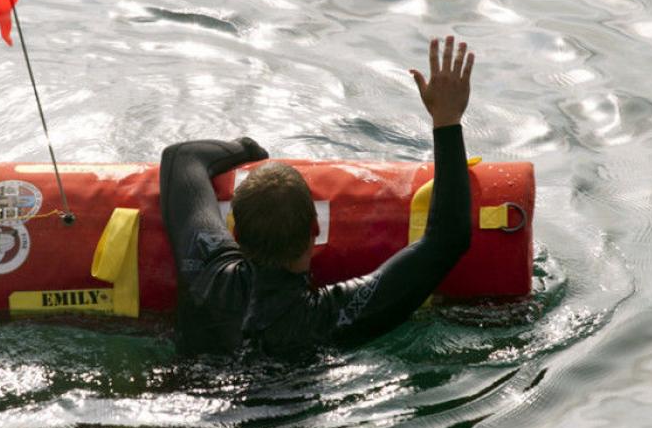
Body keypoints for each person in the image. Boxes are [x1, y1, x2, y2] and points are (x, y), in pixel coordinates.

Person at [159, 36, 475, 357]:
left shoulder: (205, 271)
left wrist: (249, 149)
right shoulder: (331, 317)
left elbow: (182, 158)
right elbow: (448, 238)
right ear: (315, 230)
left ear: (235, 233)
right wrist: (446, 120)